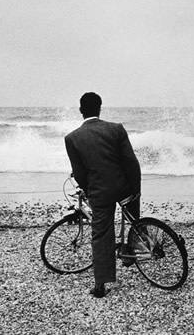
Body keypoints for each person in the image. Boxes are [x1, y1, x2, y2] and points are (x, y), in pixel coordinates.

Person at [65, 92, 141, 298]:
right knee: (134, 217)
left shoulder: (72, 138)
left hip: (99, 192)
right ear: (100, 108)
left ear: (81, 110)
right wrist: (136, 188)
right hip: (123, 187)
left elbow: (80, 173)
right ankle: (131, 250)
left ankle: (100, 285)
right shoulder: (116, 129)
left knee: (100, 235)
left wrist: (89, 191)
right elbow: (130, 162)